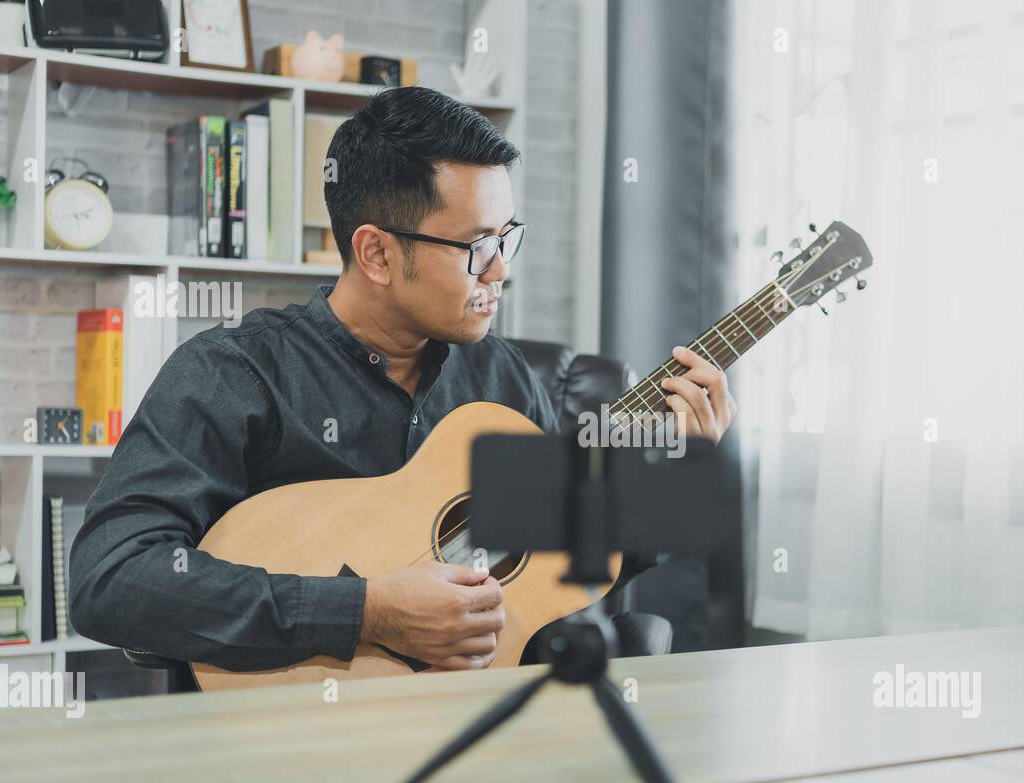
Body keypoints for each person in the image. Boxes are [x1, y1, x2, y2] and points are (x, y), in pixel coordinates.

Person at [70, 86, 734, 675]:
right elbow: (111, 578)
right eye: (478, 246)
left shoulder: (503, 381)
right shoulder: (234, 374)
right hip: (284, 754)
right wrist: (365, 612)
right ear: (377, 253)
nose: (500, 271)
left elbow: (551, 575)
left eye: (509, 239)